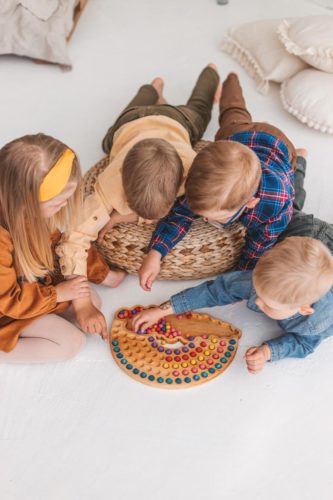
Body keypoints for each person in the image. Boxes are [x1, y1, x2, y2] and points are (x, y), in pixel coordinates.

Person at [56, 65, 220, 332]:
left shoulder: (194, 169)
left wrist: (126, 216)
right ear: (123, 182)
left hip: (173, 120)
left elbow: (206, 203)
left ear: (181, 181)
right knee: (110, 139)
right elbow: (73, 238)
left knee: (199, 110)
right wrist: (82, 303)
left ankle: (168, 85)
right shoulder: (108, 184)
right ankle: (183, 81)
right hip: (132, 123)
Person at [132, 155, 333, 373]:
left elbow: (304, 344)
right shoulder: (262, 281)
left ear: (303, 309)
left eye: (268, 304)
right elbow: (217, 291)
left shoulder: (319, 321)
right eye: (259, 295)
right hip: (299, 229)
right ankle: (299, 163)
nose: (257, 302)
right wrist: (164, 310)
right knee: (289, 204)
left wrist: (269, 352)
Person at [139, 72, 296, 291]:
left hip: (278, 144)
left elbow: (259, 244)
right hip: (237, 136)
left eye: (214, 216)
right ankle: (230, 82)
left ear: (250, 203)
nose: (202, 219)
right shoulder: (205, 183)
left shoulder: (274, 205)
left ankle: (301, 155)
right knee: (233, 112)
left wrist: (239, 276)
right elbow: (179, 216)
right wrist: (155, 252)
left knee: (294, 170)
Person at [0, 134, 118, 362]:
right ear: (25, 200)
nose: (64, 205)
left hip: (31, 292)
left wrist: (102, 274)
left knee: (91, 300)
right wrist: (59, 293)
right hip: (7, 309)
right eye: (56, 202)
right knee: (72, 343)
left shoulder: (25, 213)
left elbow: (60, 245)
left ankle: (45, 321)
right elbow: (8, 300)